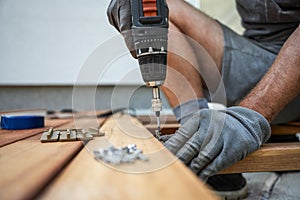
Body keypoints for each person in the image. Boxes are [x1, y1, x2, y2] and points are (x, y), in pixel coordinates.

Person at [107, 0, 300, 199]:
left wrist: (252, 114)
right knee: (159, 9)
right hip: (259, 56)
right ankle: (202, 144)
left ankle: (218, 141)